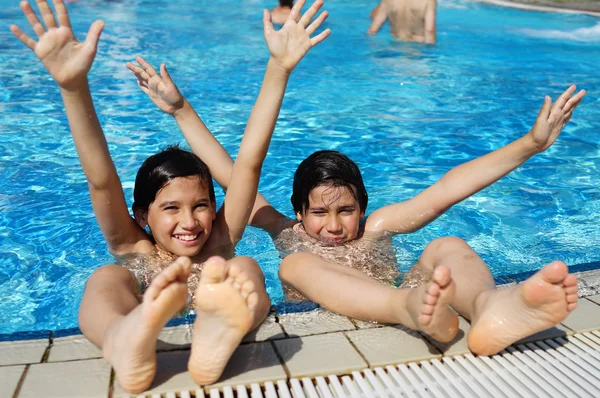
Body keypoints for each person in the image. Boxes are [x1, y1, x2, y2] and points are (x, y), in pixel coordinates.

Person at [126, 10, 584, 355]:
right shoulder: (287, 232)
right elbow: (236, 167)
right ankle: (415, 308)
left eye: (346, 211)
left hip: (414, 301)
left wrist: (530, 144)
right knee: (293, 267)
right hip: (380, 310)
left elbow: (449, 188)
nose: (333, 226)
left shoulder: (378, 226)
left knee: (447, 244)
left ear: (363, 207)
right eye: (319, 213)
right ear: (300, 212)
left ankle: (489, 310)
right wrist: (182, 110)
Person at [10, 0, 330, 393]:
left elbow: (249, 161)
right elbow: (100, 180)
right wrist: (73, 88)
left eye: (200, 205)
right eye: (170, 209)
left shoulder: (221, 238)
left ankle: (226, 330)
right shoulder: (133, 245)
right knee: (108, 276)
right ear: (142, 214)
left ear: (214, 208)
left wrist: (278, 69)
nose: (190, 222)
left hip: (222, 308)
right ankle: (121, 336)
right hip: (144, 309)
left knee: (245, 267)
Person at [368, 0, 437, 44]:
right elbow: (429, 30)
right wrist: (430, 48)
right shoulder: (429, 1)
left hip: (395, 45)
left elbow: (373, 30)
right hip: (417, 49)